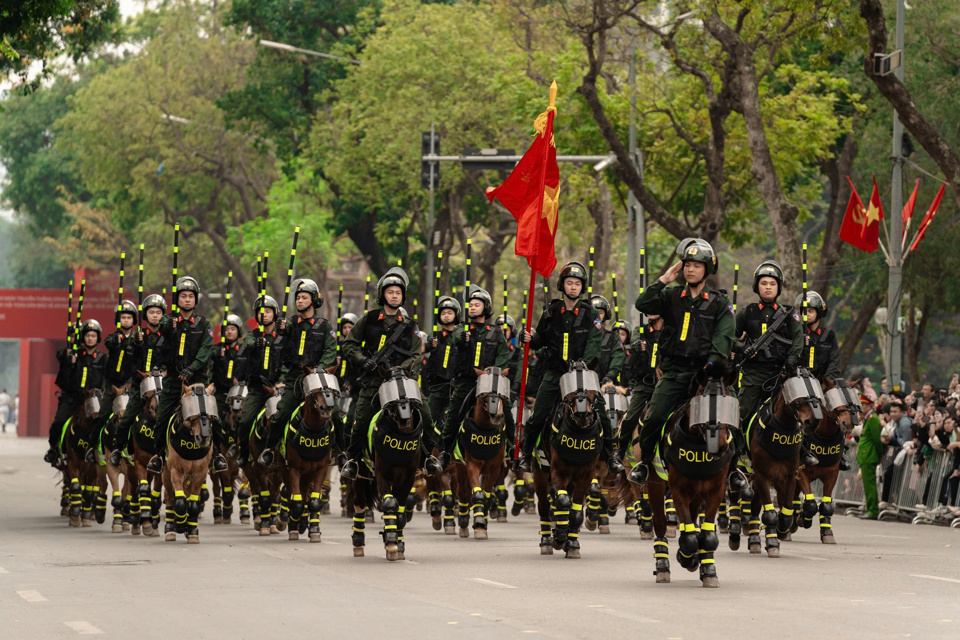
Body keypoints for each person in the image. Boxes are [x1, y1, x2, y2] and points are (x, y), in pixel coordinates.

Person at [626, 239, 735, 485]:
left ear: (707, 269)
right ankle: (644, 464)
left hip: (706, 376)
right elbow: (643, 304)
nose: (690, 269)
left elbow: (723, 339)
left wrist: (710, 371)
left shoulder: (720, 302)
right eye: (687, 264)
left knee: (732, 412)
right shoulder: (670, 295)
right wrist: (664, 278)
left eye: (697, 265)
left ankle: (734, 469)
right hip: (674, 373)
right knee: (653, 418)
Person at [516, 261, 624, 475]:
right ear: (562, 285)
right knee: (537, 416)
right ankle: (525, 455)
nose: (573, 287)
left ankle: (611, 455)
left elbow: (594, 344)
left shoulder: (591, 314)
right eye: (569, 283)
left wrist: (583, 364)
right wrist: (529, 337)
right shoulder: (550, 311)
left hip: (583, 375)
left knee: (602, 412)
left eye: (577, 283)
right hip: (555, 373)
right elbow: (540, 339)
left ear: (582, 288)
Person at [339, 267, 440, 480]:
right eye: (390, 292)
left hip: (403, 381)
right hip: (374, 381)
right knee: (360, 421)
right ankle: (353, 461)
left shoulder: (410, 325)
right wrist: (363, 361)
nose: (394, 295)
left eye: (398, 293)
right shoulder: (369, 319)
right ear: (382, 295)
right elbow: (349, 345)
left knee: (427, 417)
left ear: (402, 296)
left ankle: (427, 458)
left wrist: (400, 369)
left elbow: (415, 354)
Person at [256, 279, 337, 466]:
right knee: (280, 414)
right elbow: (280, 333)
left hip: (319, 381)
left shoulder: (325, 326)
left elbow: (331, 351)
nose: (299, 301)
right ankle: (270, 449)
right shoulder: (291, 323)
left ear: (314, 300)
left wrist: (320, 369)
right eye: (298, 298)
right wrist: (280, 327)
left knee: (337, 415)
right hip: (295, 380)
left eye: (304, 297)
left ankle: (340, 453)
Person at [735, 260, 806, 472]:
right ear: (757, 286)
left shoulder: (789, 314)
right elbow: (729, 337)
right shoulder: (746, 313)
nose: (768, 287)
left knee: (802, 411)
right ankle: (736, 456)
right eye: (764, 283)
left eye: (772, 283)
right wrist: (742, 349)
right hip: (753, 374)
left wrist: (792, 360)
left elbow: (798, 340)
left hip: (781, 375)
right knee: (741, 415)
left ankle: (803, 452)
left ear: (778, 288)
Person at [146, 276, 221, 474]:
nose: (187, 299)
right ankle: (159, 456)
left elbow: (206, 349)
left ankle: (217, 456)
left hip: (198, 381)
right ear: (177, 300)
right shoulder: (168, 321)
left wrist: (193, 367)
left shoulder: (203, 324)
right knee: (161, 418)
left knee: (214, 416)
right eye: (183, 296)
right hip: (173, 381)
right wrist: (167, 325)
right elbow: (156, 329)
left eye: (190, 296)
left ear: (195, 300)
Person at [437, 287, 513, 467]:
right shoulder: (461, 328)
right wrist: (462, 337)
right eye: (470, 305)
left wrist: (494, 369)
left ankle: (513, 448)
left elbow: (503, 355)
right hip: (467, 382)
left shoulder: (496, 332)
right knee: (454, 415)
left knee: (508, 411)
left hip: (490, 382)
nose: (472, 308)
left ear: (486, 308)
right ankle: (444, 452)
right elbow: (456, 337)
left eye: (477, 305)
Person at [110, 293, 167, 466]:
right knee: (126, 419)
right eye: (151, 312)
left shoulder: (169, 336)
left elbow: (174, 360)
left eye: (158, 312)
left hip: (164, 386)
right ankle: (118, 449)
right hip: (141, 386)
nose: (155, 315)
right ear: (145, 315)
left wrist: (165, 372)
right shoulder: (137, 336)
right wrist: (135, 344)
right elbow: (129, 364)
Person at [795, 290, 849, 469]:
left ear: (818, 312)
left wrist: (828, 383)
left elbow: (834, 362)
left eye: (810, 311)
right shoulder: (794, 333)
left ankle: (841, 452)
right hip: (797, 383)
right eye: (803, 311)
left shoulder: (829, 335)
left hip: (821, 384)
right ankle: (800, 449)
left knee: (840, 405)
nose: (806, 314)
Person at [44, 321, 107, 466]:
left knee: (107, 424)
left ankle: (106, 451)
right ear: (82, 338)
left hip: (94, 401)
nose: (90, 338)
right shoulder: (73, 355)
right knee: (58, 422)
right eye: (87, 336)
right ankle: (53, 449)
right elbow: (62, 379)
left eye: (93, 336)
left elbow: (106, 380)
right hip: (72, 399)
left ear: (98, 338)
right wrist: (69, 363)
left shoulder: (103, 359)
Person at [236, 295, 285, 466]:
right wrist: (256, 343)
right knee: (245, 420)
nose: (264, 315)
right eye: (261, 312)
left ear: (275, 314)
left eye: (268, 311)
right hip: (258, 389)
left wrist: (282, 381)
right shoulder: (252, 336)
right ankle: (243, 452)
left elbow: (288, 362)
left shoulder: (283, 337)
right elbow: (247, 342)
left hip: (280, 389)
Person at [93, 300, 139, 462]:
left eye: (129, 317)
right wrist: (116, 341)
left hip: (130, 385)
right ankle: (95, 447)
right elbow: (108, 343)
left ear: (134, 320)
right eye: (123, 317)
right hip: (112, 385)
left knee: (131, 418)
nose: (126, 320)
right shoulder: (113, 338)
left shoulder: (137, 339)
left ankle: (130, 448)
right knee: (102, 415)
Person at [616, 314, 662, 456]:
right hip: (644, 385)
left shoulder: (670, 331)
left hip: (665, 384)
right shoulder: (640, 330)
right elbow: (633, 341)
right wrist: (636, 345)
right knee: (630, 418)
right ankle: (620, 450)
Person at [209, 314, 250, 457]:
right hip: (220, 394)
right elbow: (209, 369)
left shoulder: (245, 350)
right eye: (226, 329)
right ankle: (215, 452)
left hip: (239, 394)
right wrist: (218, 355)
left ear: (238, 331)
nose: (229, 332)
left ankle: (242, 448)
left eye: (233, 329)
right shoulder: (216, 349)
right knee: (213, 420)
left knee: (245, 418)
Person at [423, 297, 461, 446]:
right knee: (427, 418)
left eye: (450, 312)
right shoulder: (435, 337)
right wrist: (430, 346)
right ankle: (425, 455)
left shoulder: (462, 336)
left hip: (457, 387)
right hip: (438, 387)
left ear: (456, 315)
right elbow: (425, 354)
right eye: (443, 313)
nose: (446, 315)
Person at [590, 295, 625, 386]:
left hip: (606, 384)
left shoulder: (613, 337)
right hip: (585, 383)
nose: (597, 315)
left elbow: (618, 357)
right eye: (594, 312)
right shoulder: (582, 335)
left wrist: (610, 375)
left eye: (600, 313)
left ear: (606, 315)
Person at [856, 394, 882, 519]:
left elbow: (877, 440)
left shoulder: (873, 418)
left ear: (870, 405)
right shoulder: (868, 418)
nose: (862, 407)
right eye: (861, 404)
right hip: (866, 456)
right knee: (867, 485)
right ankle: (869, 508)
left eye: (864, 404)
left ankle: (872, 510)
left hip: (870, 455)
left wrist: (879, 455)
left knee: (870, 485)